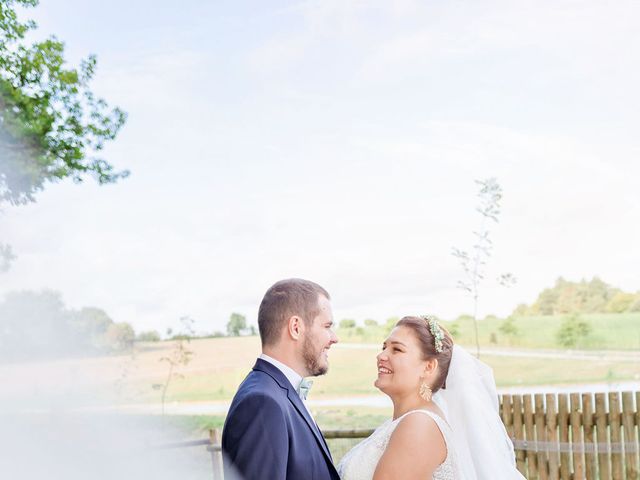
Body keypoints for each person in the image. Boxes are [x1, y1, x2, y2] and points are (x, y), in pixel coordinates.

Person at [337, 316, 525, 480]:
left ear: (428, 368)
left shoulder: (420, 425)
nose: (381, 355)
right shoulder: (402, 422)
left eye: (397, 350)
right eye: (384, 347)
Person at [222, 278, 340, 480]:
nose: (334, 338)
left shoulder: (277, 393)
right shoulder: (262, 403)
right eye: (327, 326)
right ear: (296, 327)